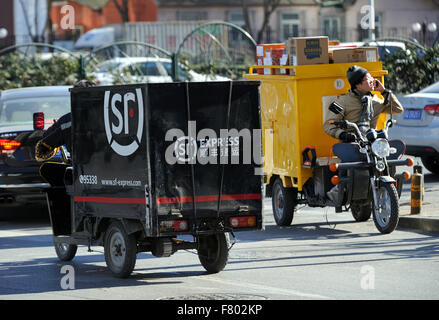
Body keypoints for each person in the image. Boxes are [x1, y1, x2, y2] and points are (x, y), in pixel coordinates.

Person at [323, 65, 404, 142]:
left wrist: (384, 92)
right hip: (351, 145)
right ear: (358, 84)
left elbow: (398, 109)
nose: (372, 80)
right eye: (368, 78)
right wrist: (343, 135)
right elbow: (328, 125)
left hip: (373, 145)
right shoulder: (343, 101)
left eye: (372, 77)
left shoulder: (376, 101)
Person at [35, 80, 95, 160]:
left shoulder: (67, 121)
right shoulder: (113, 120)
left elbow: (43, 147)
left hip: (82, 169)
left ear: (74, 97)